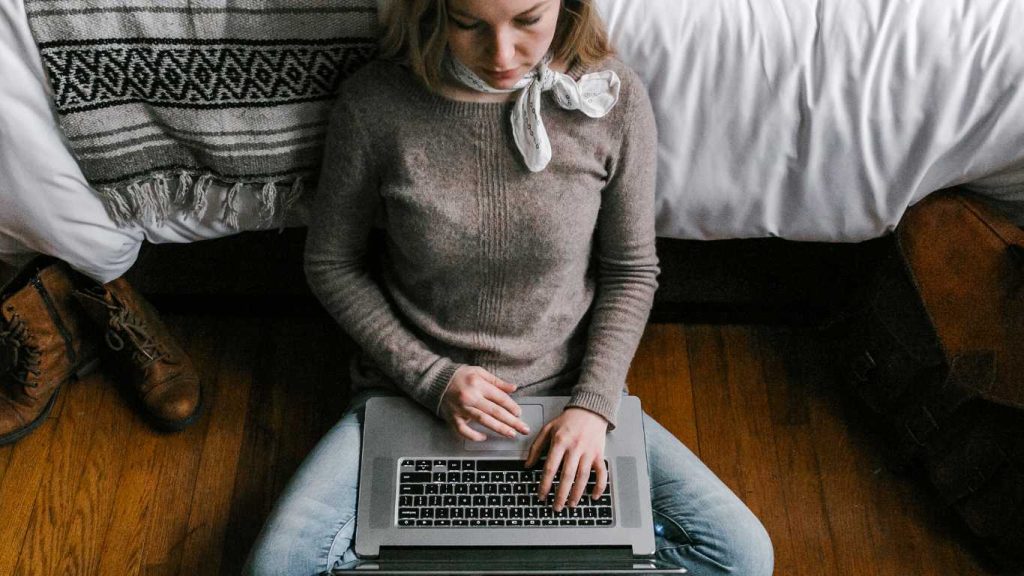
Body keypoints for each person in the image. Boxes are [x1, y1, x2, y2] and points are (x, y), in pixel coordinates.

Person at [245, 0, 774, 574]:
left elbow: (631, 269)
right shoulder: (376, 103)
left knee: (740, 554)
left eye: (527, 20)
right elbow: (331, 264)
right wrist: (433, 379)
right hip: (411, 394)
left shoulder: (611, 97)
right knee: (277, 564)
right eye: (468, 24)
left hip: (564, 395)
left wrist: (593, 408)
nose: (501, 55)